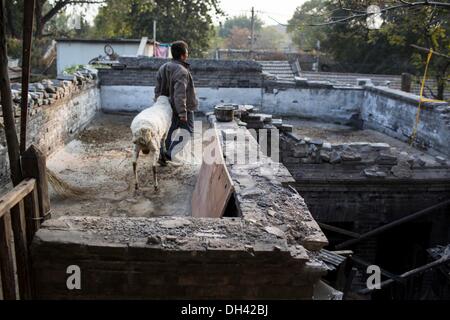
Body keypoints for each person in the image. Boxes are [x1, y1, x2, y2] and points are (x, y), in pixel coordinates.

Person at [154, 40, 198, 164]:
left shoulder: (163, 67)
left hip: (166, 107)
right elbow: (180, 94)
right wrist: (182, 113)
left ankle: (162, 155)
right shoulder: (182, 71)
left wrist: (159, 104)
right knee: (188, 132)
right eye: (187, 52)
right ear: (183, 55)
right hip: (183, 108)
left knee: (169, 131)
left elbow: (157, 90)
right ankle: (170, 154)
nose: (188, 54)